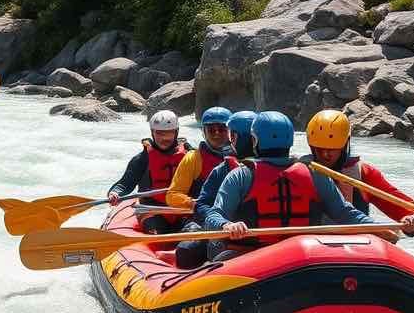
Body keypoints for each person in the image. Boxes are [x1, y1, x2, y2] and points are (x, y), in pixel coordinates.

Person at [204, 111, 382, 262]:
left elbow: (213, 216)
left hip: (293, 259)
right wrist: (227, 226)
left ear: (255, 140)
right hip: (254, 259)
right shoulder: (315, 173)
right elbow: (346, 214)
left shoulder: (240, 175)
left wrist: (380, 229)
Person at [305, 109, 414, 235]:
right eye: (319, 149)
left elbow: (403, 206)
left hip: (357, 246)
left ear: (345, 144)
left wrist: (412, 218)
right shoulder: (298, 171)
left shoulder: (363, 173)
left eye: (332, 149)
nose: (325, 154)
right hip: (307, 245)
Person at [173, 110, 255, 268]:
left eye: (222, 129)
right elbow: (201, 205)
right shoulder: (202, 161)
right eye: (211, 129)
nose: (217, 134)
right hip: (219, 226)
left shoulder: (281, 169)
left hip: (261, 238)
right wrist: (220, 223)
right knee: (186, 249)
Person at [107, 110, 192, 234]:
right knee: (157, 231)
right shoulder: (142, 159)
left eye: (169, 133)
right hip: (151, 209)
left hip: (182, 208)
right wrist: (115, 193)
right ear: (152, 133)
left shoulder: (190, 155)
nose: (164, 138)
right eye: (159, 133)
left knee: (193, 232)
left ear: (176, 132)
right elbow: (125, 183)